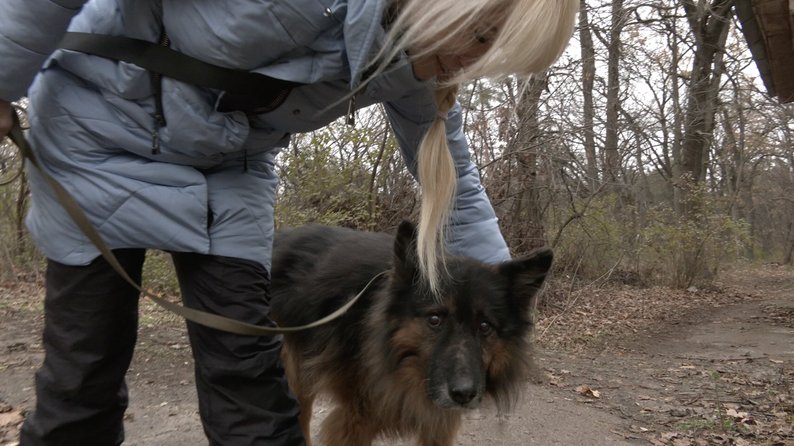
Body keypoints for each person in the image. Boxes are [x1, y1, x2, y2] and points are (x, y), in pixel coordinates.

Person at [0, 0, 578, 444]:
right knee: (87, 368)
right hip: (101, 135)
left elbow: (457, 188)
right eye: (481, 36)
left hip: (228, 166)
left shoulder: (414, 70)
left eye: (495, 52)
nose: (474, 62)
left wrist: (499, 293)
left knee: (249, 377)